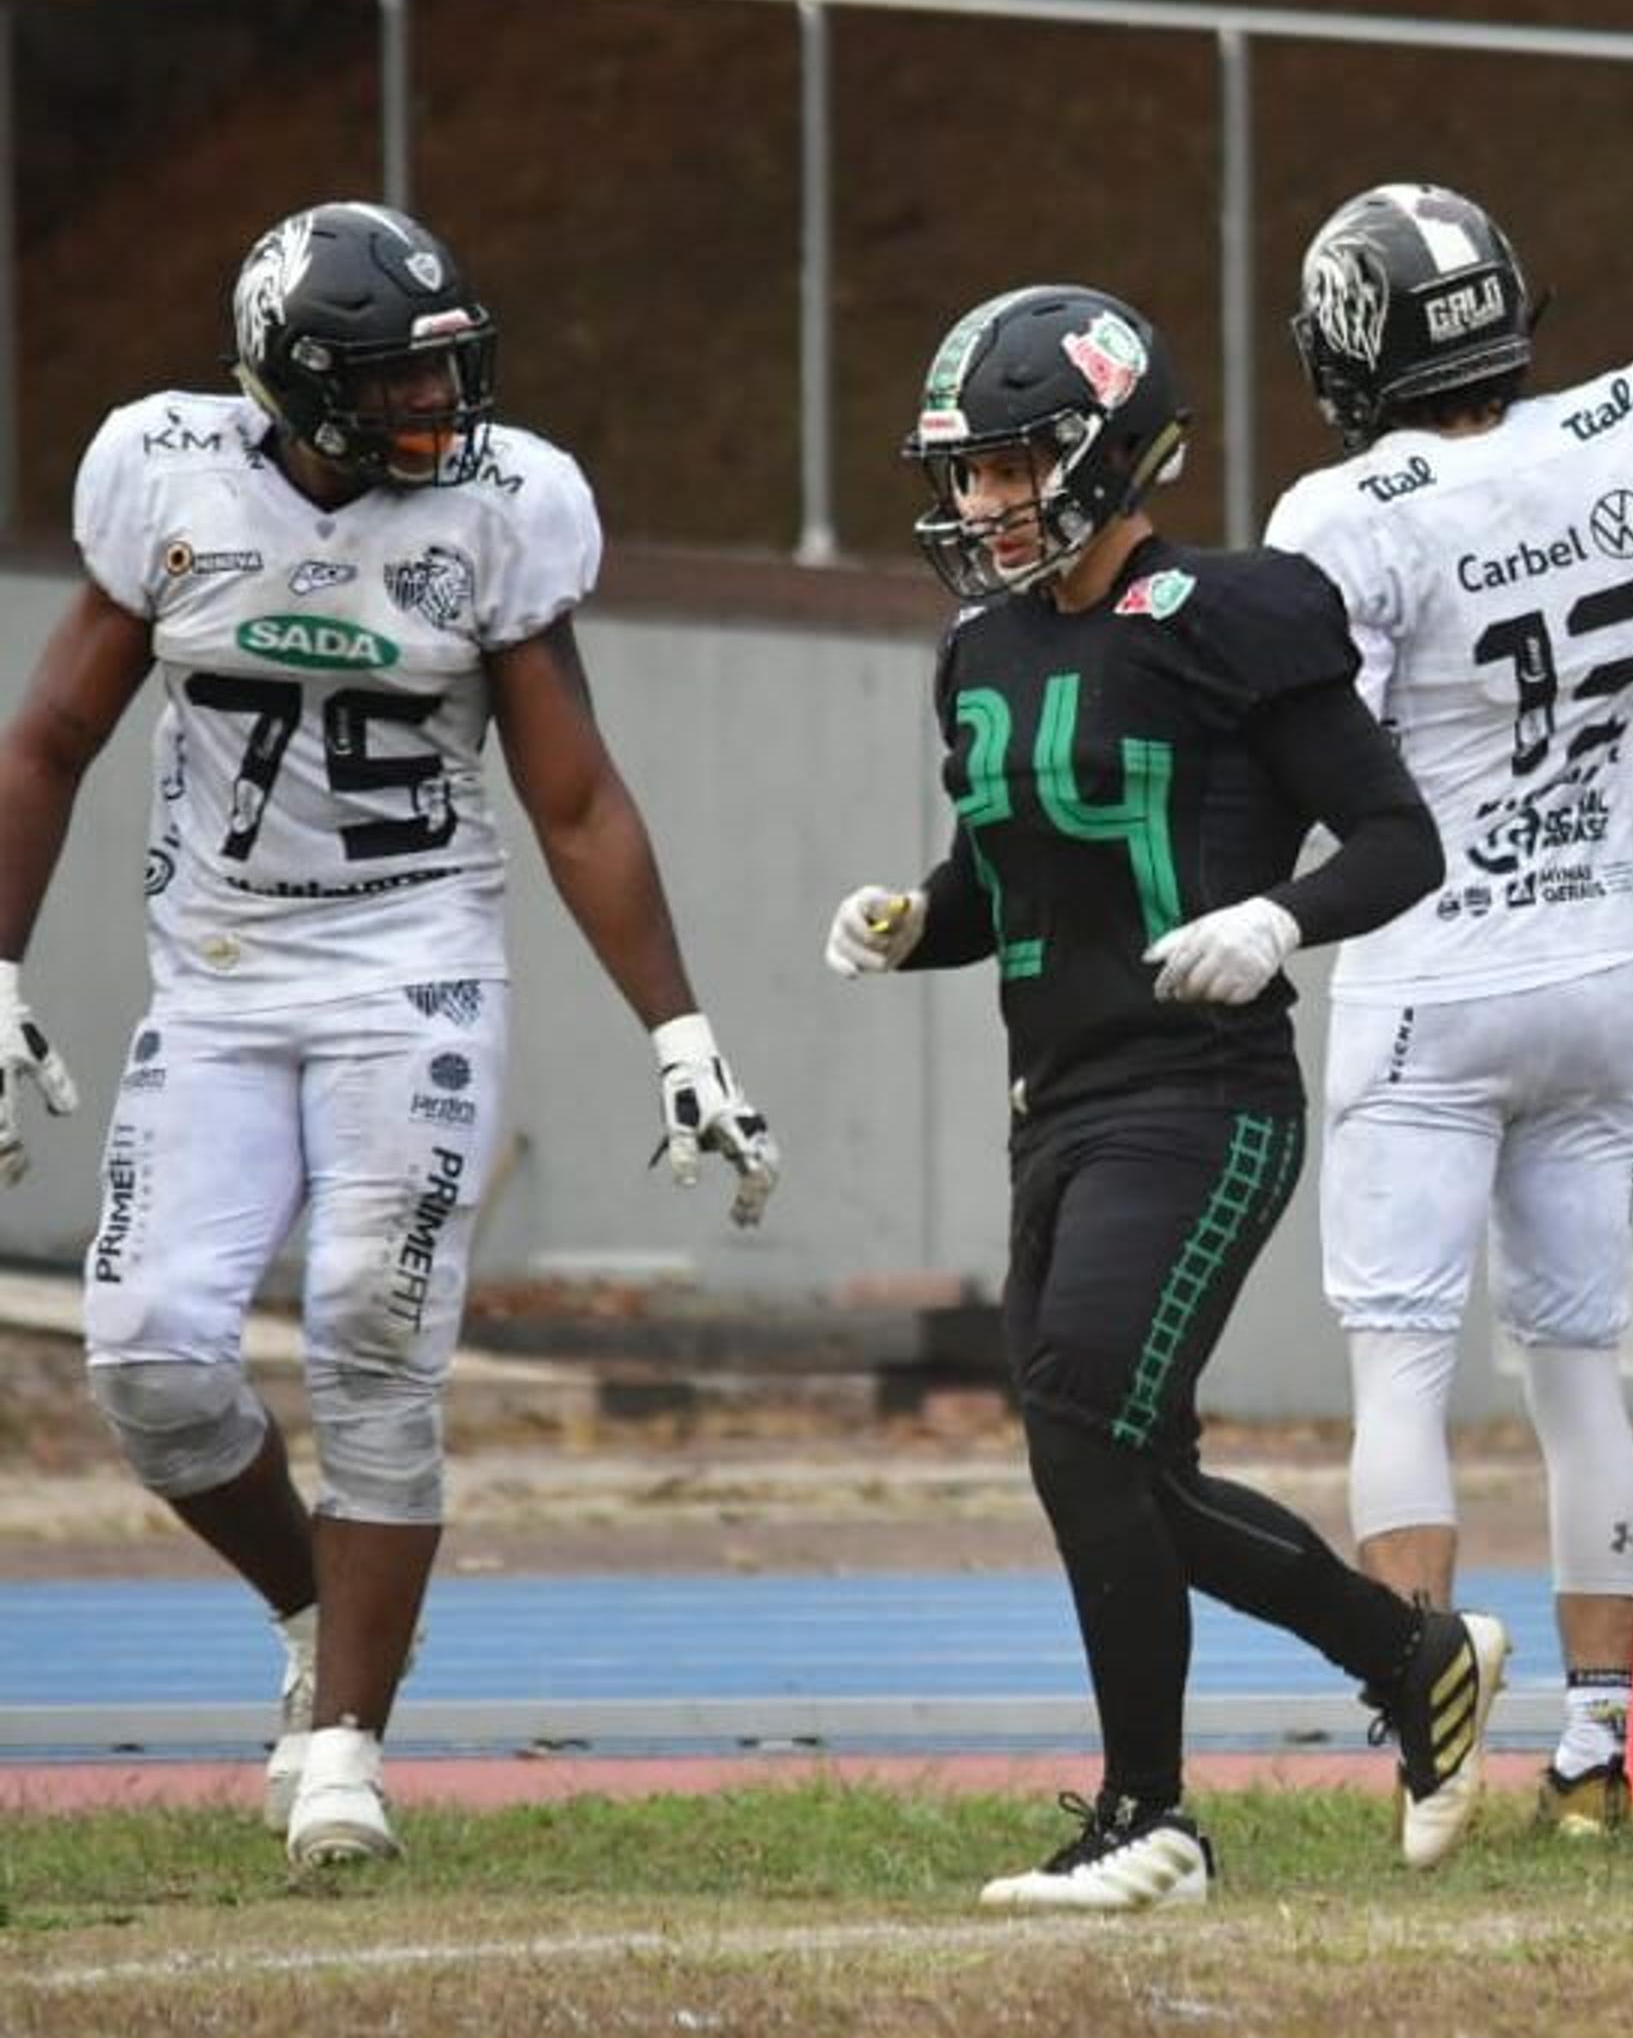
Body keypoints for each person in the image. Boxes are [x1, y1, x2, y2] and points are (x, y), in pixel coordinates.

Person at [0, 200, 779, 1870]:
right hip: (214, 975)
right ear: (294, 385)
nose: (441, 411)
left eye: (444, 372)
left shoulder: (499, 512)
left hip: (410, 964)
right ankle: (320, 1612)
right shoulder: (172, 481)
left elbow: (571, 794)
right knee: (145, 1358)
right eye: (397, 382)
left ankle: (345, 1736)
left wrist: (680, 1026)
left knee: (371, 1318)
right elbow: (52, 735)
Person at [824, 282, 1501, 1908]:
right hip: (1054, 1096)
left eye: (1012, 465)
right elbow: (1005, 874)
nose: (981, 502)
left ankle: (1152, 1818)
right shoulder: (980, 644)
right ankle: (1411, 1660)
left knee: (1081, 1412)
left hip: (1204, 1092)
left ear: (1113, 452)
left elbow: (1397, 835)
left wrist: (1280, 915)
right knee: (1108, 1460)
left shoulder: (1236, 608)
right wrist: (923, 917)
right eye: (966, 472)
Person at [1264, 183, 1633, 1835]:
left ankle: (1428, 1730)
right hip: (1598, 962)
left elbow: (1321, 776)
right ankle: (1601, 1751)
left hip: (1428, 966)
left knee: (1399, 1364)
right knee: (1577, 1365)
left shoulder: (1345, 510)